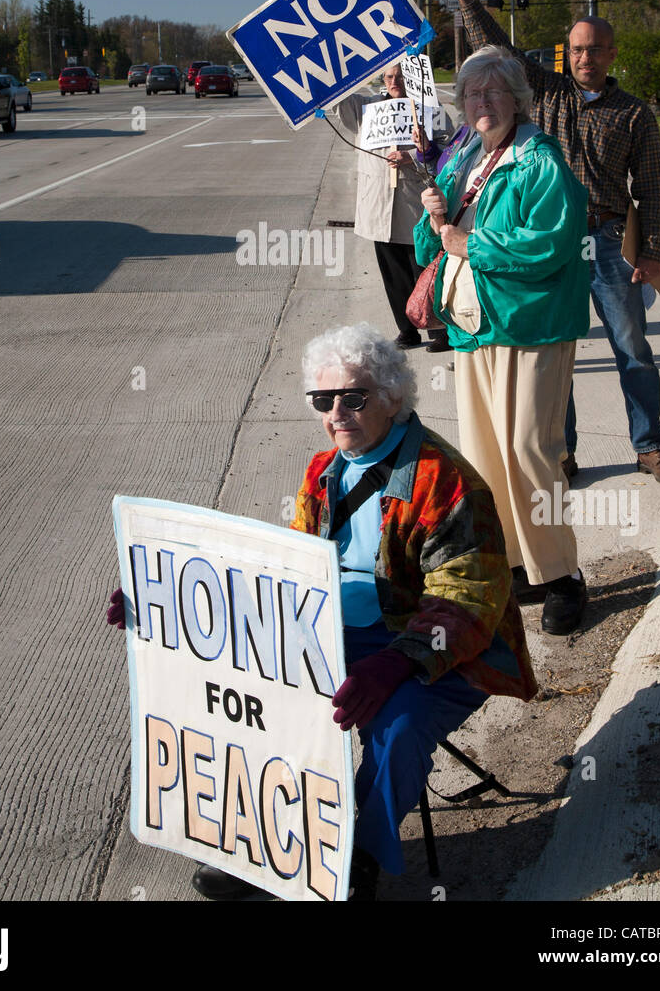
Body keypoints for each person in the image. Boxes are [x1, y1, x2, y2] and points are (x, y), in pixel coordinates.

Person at [140, 322, 536, 901]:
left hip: (444, 650)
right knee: (252, 689)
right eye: (323, 400)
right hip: (335, 637)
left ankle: (356, 854)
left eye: (354, 397)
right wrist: (163, 604)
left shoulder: (445, 482)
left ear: (393, 397)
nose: (338, 413)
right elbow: (282, 571)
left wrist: (395, 664)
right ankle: (263, 837)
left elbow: (467, 599)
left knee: (396, 726)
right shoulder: (322, 472)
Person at [435, 0, 660, 487]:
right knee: (556, 351)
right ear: (565, 54)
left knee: (632, 349)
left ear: (611, 54)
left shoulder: (634, 113)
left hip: (612, 241)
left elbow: (654, 189)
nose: (584, 57)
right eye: (576, 49)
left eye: (595, 49)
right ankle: (561, 451)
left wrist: (651, 250)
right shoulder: (546, 93)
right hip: (555, 243)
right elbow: (497, 46)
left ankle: (651, 447)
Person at [414, 46, 592, 633]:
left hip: (531, 325)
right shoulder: (462, 158)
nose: (481, 103)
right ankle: (519, 564)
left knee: (530, 450)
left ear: (516, 99)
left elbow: (551, 245)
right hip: (472, 326)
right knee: (487, 458)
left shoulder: (539, 161)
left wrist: (472, 244)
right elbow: (429, 246)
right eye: (470, 94)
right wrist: (431, 213)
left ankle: (563, 575)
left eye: (492, 93)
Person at [332, 62, 452, 351]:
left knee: (424, 268)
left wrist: (414, 155)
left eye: (399, 76)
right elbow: (339, 100)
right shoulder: (367, 107)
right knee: (393, 274)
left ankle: (439, 330)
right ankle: (407, 330)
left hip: (414, 202)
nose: (393, 81)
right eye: (388, 77)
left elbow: (449, 147)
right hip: (379, 204)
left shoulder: (428, 107)